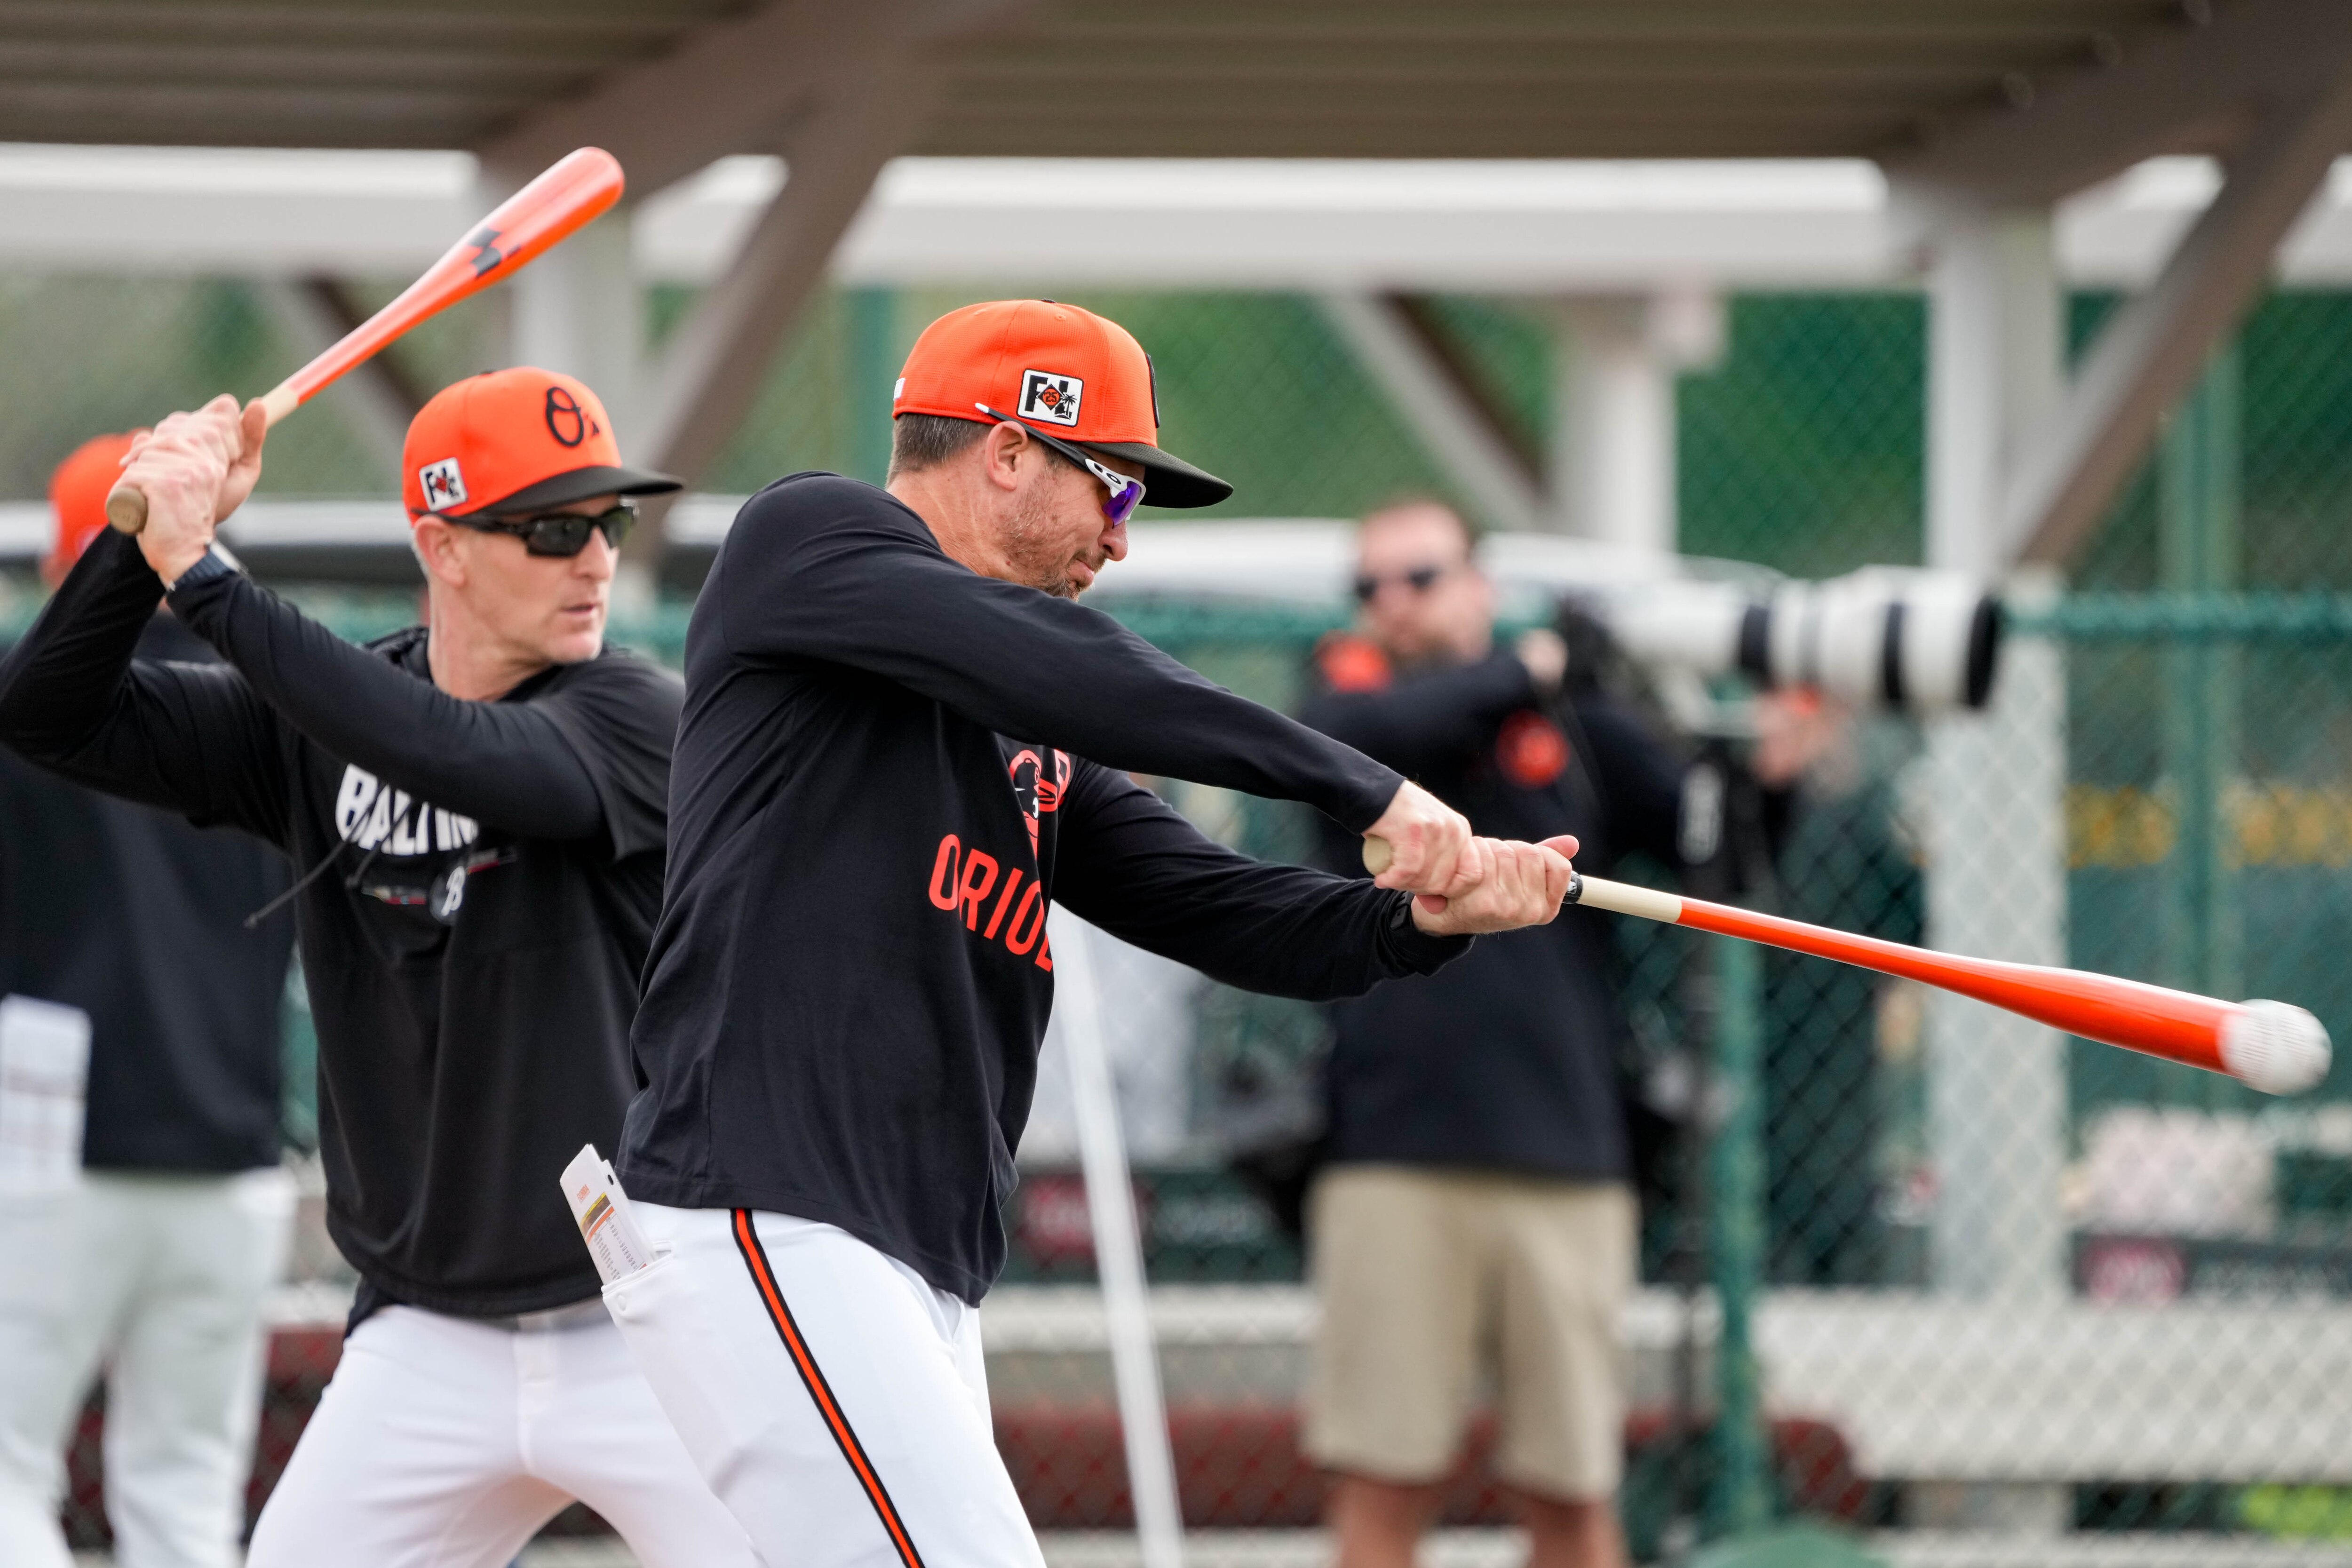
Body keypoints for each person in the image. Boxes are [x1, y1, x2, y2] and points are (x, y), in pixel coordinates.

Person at [603, 298, 1579, 1568]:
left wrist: (1423, 918)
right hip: (771, 1209)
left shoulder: (1031, 720)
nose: (1120, 543)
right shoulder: (809, 537)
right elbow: (1087, 669)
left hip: (900, 1260)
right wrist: (1369, 784)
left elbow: (1230, 910)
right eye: (1114, 493)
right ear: (1008, 452)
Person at [0, 372, 758, 1568]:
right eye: (553, 529)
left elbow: (469, 757)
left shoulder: (636, 713)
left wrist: (209, 579)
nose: (596, 562)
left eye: (608, 524)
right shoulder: (321, 726)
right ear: (440, 546)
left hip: (644, 1314)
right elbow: (45, 711)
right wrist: (138, 538)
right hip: (428, 1333)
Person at [1296, 500, 1700, 1568]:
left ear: (1478, 582)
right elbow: (1373, 743)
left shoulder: (1572, 723)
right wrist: (1535, 665)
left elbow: (1708, 831)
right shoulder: (1343, 707)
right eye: (1371, 584)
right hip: (1395, 1153)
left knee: (1570, 1492)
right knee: (1383, 1483)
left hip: (1563, 1157)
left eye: (1419, 576)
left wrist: (1787, 736)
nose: (1391, 602)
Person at [0, 434, 297, 1568]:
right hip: (233, 1153)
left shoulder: (28, 703)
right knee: (186, 1495)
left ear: (68, 560)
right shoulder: (271, 694)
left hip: (53, 1144)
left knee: (8, 1472)